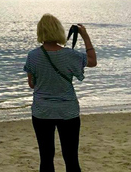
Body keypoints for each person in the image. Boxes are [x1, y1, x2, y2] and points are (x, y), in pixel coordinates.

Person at [24, 14, 97, 172]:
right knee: (71, 158)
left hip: (42, 111)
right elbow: (92, 61)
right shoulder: (70, 55)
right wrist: (85, 36)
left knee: (46, 157)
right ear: (59, 31)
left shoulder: (33, 56)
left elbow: (31, 84)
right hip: (68, 111)